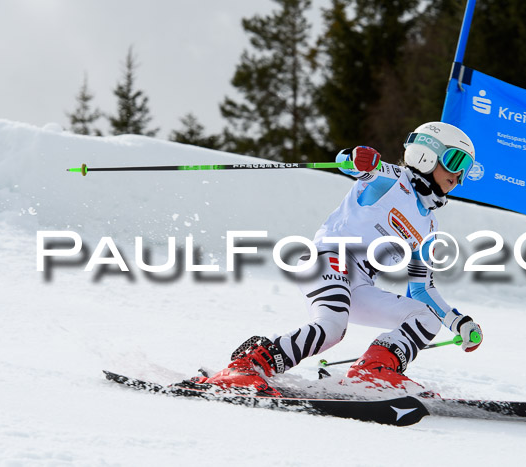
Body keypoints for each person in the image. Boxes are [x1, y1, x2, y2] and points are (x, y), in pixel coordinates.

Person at [184, 121, 483, 396]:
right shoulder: (390, 179)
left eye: (466, 170)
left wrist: (458, 321)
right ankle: (248, 367)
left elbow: (421, 289)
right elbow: (353, 165)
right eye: (456, 161)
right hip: (329, 259)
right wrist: (355, 157)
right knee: (331, 327)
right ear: (425, 155)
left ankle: (374, 371)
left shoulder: (429, 225)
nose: (458, 176)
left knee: (424, 316)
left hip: (359, 283)